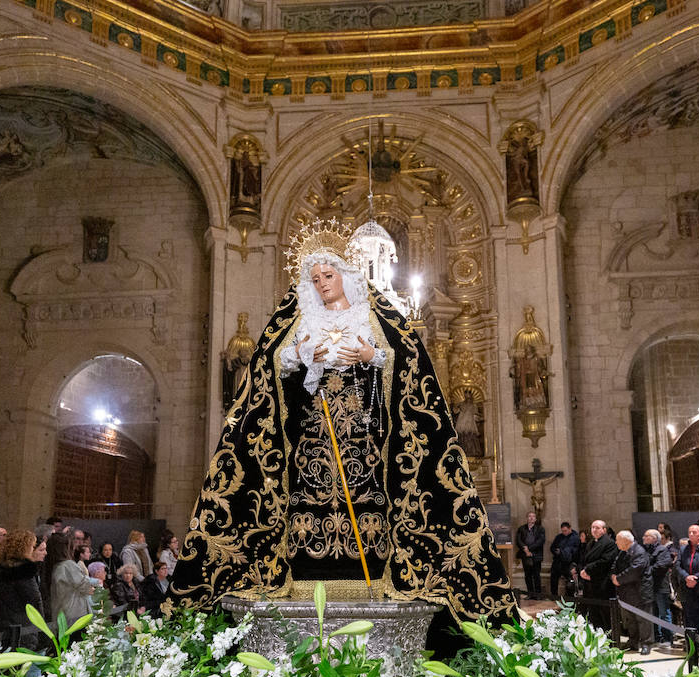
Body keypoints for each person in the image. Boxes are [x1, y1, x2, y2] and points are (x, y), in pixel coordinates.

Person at [168, 219, 515, 649]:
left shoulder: (377, 314)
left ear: (346, 275)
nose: (322, 285)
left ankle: (379, 576)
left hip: (365, 442)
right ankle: (298, 577)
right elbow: (268, 369)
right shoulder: (295, 319)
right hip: (310, 441)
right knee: (305, 499)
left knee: (371, 500)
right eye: (314, 279)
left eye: (328, 276)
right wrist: (298, 355)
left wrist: (373, 355)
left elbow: (409, 365)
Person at [0, 529, 47, 649]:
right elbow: (34, 601)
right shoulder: (23, 572)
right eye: (33, 546)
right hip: (20, 629)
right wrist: (43, 632)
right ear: (25, 548)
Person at [610, 530, 654, 654]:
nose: (616, 542)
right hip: (626, 592)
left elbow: (635, 570)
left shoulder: (639, 552)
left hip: (640, 592)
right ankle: (633, 641)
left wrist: (618, 579)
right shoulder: (622, 552)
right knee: (630, 620)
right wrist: (613, 575)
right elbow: (615, 565)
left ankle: (646, 643)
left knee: (643, 619)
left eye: (618, 540)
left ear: (625, 541)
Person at [44, 531, 98, 623]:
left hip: (62, 615)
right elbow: (87, 587)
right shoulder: (68, 566)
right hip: (74, 617)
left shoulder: (53, 566)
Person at [577, 520, 618, 633]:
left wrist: (587, 570)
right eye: (592, 527)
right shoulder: (591, 543)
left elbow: (605, 561)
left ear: (604, 530)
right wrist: (582, 571)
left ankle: (609, 638)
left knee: (604, 613)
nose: (594, 530)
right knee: (593, 612)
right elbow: (584, 559)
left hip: (602, 583)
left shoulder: (609, 543)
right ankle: (597, 636)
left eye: (597, 528)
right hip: (589, 583)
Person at [643, 528, 677, 643]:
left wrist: (646, 571)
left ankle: (668, 637)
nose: (644, 538)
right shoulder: (645, 550)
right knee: (652, 613)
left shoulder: (662, 550)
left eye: (646, 536)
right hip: (649, 587)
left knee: (664, 613)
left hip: (661, 587)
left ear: (654, 538)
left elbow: (662, 565)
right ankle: (656, 637)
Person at [515, 511, 545, 596]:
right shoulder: (521, 528)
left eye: (533, 516)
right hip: (525, 555)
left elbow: (541, 541)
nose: (531, 518)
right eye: (529, 516)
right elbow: (518, 540)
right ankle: (530, 594)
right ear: (527, 518)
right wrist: (525, 548)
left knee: (536, 575)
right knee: (527, 575)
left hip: (536, 555)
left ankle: (538, 594)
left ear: (535, 519)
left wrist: (529, 549)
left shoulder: (540, 529)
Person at [549, 521, 579, 597]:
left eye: (565, 531)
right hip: (558, 561)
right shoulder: (559, 537)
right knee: (553, 578)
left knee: (569, 581)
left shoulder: (575, 537)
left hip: (568, 563)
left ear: (570, 529)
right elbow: (552, 547)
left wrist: (562, 552)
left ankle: (570, 597)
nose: (564, 532)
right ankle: (554, 595)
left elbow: (574, 551)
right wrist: (557, 552)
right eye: (562, 531)